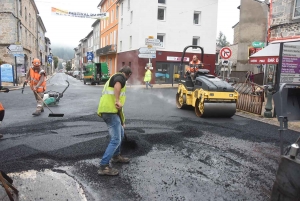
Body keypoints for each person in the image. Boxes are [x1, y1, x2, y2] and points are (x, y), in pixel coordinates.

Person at [97, 66, 132, 176]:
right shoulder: (119, 77)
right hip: (109, 112)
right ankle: (104, 166)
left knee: (120, 134)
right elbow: (117, 87)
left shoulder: (113, 78)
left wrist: (122, 121)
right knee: (116, 139)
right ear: (128, 75)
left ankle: (116, 156)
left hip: (110, 111)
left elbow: (119, 108)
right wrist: (117, 100)